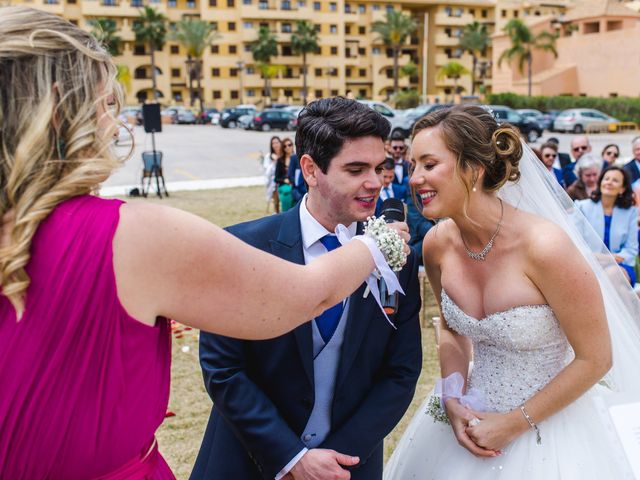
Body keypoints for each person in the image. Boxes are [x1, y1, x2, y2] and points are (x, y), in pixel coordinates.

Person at [0, 8, 400, 479]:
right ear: (61, 107)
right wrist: (379, 245)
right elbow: (300, 297)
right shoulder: (132, 236)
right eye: (105, 103)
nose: (115, 123)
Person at [385, 105, 640, 479]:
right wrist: (453, 395)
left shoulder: (545, 246)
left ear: (473, 169)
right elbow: (454, 329)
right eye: (412, 166)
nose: (415, 178)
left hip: (549, 430)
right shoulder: (437, 244)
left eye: (429, 164)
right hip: (469, 416)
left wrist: (515, 423)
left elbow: (596, 358)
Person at [191, 97, 423, 480]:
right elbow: (223, 368)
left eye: (379, 168)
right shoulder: (243, 248)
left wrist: (340, 458)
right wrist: (292, 457)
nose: (374, 183)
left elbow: (401, 370)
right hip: (247, 463)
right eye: (355, 169)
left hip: (348, 468)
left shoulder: (397, 255)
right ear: (311, 170)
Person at [576, 166, 638, 285]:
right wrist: (595, 257)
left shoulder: (631, 212)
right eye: (606, 179)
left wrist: (609, 259)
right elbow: (575, 241)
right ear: (600, 183)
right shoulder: (582, 207)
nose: (609, 182)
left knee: (612, 274)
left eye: (615, 180)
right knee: (609, 277)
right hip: (589, 262)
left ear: (622, 189)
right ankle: (633, 300)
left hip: (620, 265)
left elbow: (631, 248)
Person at [264, 136, 284, 213]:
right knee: (276, 201)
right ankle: (277, 213)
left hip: (283, 180)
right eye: (273, 143)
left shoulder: (284, 154)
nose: (275, 145)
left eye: (277, 142)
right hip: (273, 181)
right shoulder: (269, 156)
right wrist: (274, 161)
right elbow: (267, 170)